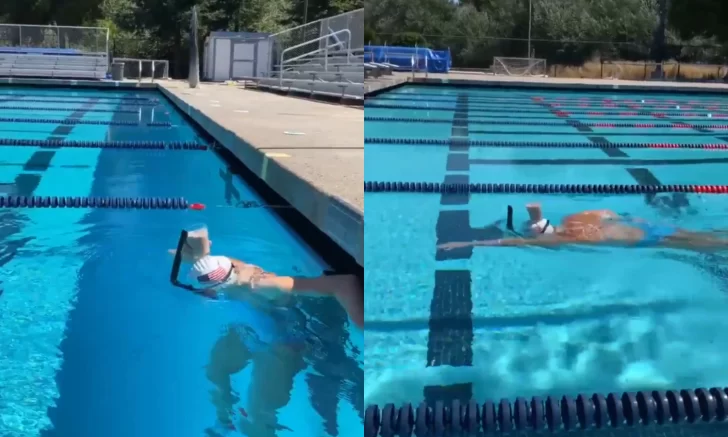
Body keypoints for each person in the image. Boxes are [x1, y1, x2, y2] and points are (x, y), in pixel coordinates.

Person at [168, 227, 363, 328]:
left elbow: (344, 283)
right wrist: (198, 256)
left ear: (214, 289)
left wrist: (361, 322)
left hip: (304, 319)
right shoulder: (227, 269)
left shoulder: (262, 285)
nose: (203, 296)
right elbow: (215, 263)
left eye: (203, 291)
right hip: (266, 318)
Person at [438, 203, 728, 253]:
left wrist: (468, 244)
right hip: (650, 228)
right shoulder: (579, 217)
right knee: (708, 237)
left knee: (706, 244)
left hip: (646, 242)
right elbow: (612, 213)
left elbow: (518, 243)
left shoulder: (565, 237)